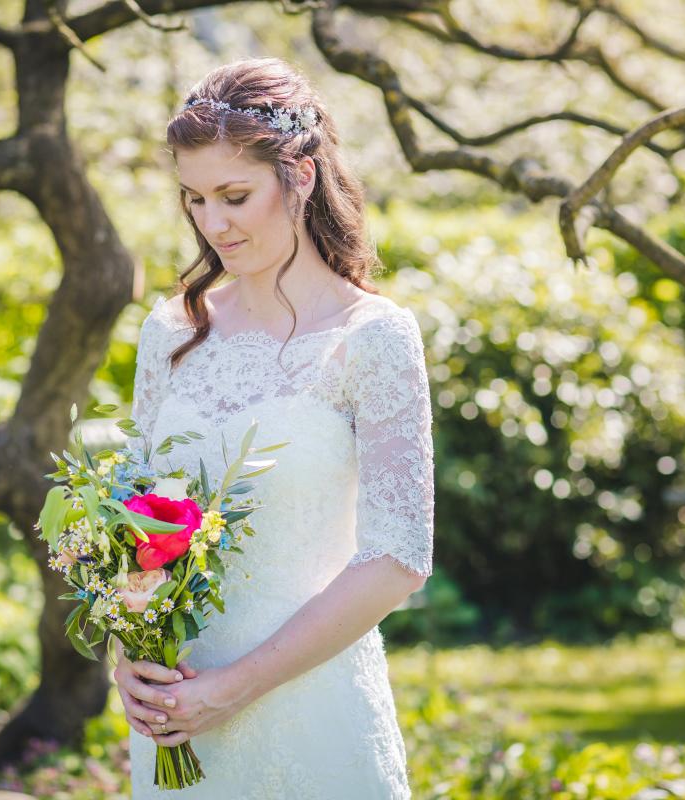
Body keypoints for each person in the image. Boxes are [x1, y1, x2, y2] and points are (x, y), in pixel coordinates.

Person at [114, 56, 434, 799]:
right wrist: (126, 656)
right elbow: (131, 521)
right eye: (193, 199)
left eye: (234, 195)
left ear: (302, 178)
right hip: (173, 719)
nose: (212, 223)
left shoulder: (374, 336)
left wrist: (234, 688)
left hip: (309, 711)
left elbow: (398, 557)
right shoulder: (169, 332)